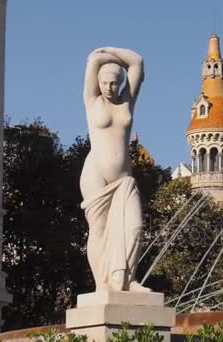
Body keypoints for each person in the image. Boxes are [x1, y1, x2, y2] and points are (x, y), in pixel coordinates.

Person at [79, 47, 150, 292]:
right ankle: (103, 285)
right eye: (105, 83)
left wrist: (109, 52)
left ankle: (128, 281)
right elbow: (94, 58)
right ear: (98, 82)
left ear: (121, 83)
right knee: (97, 230)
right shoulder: (92, 100)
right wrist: (102, 54)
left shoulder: (127, 100)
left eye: (115, 83)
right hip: (96, 173)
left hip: (124, 179)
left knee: (135, 228)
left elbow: (137, 62)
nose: (109, 88)